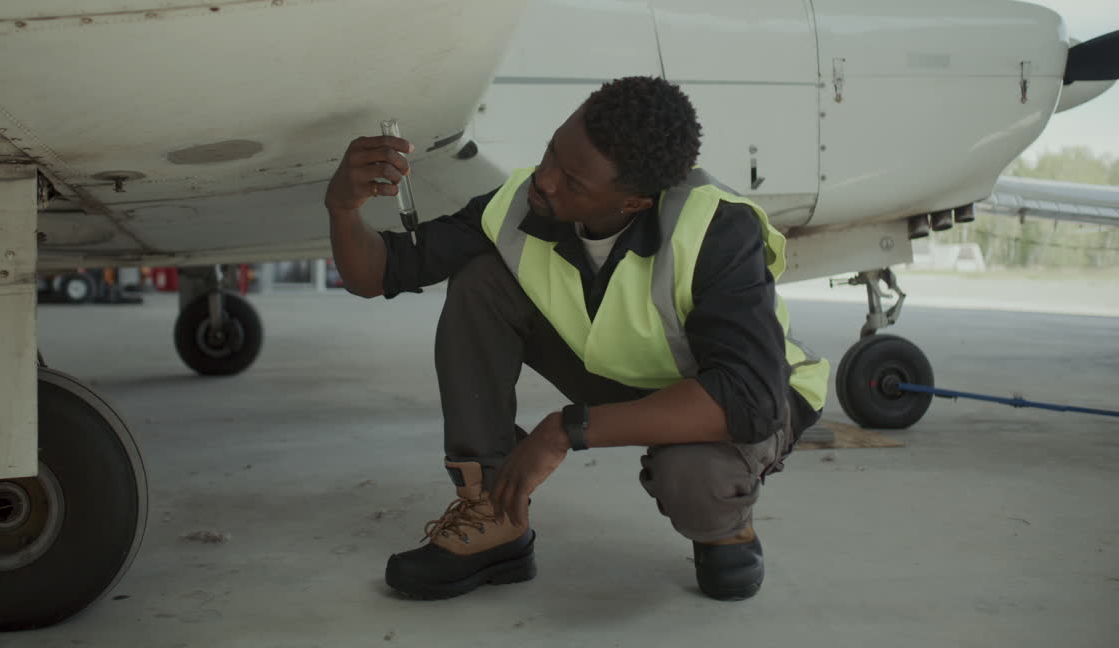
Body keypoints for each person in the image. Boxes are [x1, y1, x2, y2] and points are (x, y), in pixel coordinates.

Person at [323, 76, 829, 602]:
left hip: (744, 394)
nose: (544, 180)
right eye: (551, 153)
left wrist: (565, 429)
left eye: (572, 181)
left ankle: (726, 525)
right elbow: (377, 274)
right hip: (627, 371)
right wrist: (342, 208)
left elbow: (749, 399)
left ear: (633, 203)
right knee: (481, 279)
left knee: (692, 477)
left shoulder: (716, 229)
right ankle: (495, 514)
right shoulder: (521, 203)